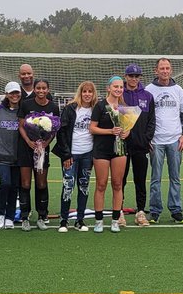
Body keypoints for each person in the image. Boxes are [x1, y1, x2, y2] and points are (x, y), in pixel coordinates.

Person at [145, 58, 183, 225]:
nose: (165, 71)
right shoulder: (148, 90)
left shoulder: (178, 90)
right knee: (155, 177)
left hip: (175, 140)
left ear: (171, 70)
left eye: (167, 68)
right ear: (156, 71)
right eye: (161, 68)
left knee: (175, 177)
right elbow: (143, 116)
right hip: (155, 141)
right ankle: (155, 211)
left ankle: (176, 210)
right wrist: (147, 137)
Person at [18, 78, 62, 231]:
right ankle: (25, 217)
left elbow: (54, 130)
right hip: (26, 148)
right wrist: (28, 141)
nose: (41, 91)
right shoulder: (26, 104)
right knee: (25, 184)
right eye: (38, 88)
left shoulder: (53, 107)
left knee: (41, 183)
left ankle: (42, 216)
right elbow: (21, 125)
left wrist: (45, 144)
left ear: (48, 90)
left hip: (42, 150)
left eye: (44, 88)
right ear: (34, 89)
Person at [90, 76, 130, 232]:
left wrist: (127, 133)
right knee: (101, 185)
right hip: (101, 149)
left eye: (120, 87)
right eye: (115, 87)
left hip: (119, 150)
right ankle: (99, 220)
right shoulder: (100, 106)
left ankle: (115, 220)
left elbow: (127, 128)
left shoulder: (124, 107)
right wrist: (109, 131)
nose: (118, 89)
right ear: (108, 88)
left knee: (118, 184)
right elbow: (92, 128)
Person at [119, 64, 157, 226]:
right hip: (122, 145)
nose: (134, 79)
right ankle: (118, 211)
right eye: (131, 76)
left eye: (136, 76)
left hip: (141, 146)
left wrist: (146, 139)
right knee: (120, 180)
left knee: (140, 180)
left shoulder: (147, 96)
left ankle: (140, 212)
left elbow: (152, 121)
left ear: (140, 77)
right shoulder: (119, 94)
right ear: (126, 77)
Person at [56, 81, 96, 232]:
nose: (87, 94)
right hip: (71, 154)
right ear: (80, 92)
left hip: (88, 154)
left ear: (93, 94)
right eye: (84, 91)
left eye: (90, 92)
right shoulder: (70, 108)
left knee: (84, 186)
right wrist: (66, 154)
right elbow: (62, 132)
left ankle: (80, 220)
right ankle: (63, 220)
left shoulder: (96, 109)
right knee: (68, 186)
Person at [0, 82, 23, 229]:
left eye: (17, 92)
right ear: (6, 94)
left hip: (18, 156)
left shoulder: (24, 111)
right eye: (11, 93)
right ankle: (1, 213)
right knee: (5, 183)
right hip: (1, 156)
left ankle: (10, 216)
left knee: (14, 186)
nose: (14, 95)